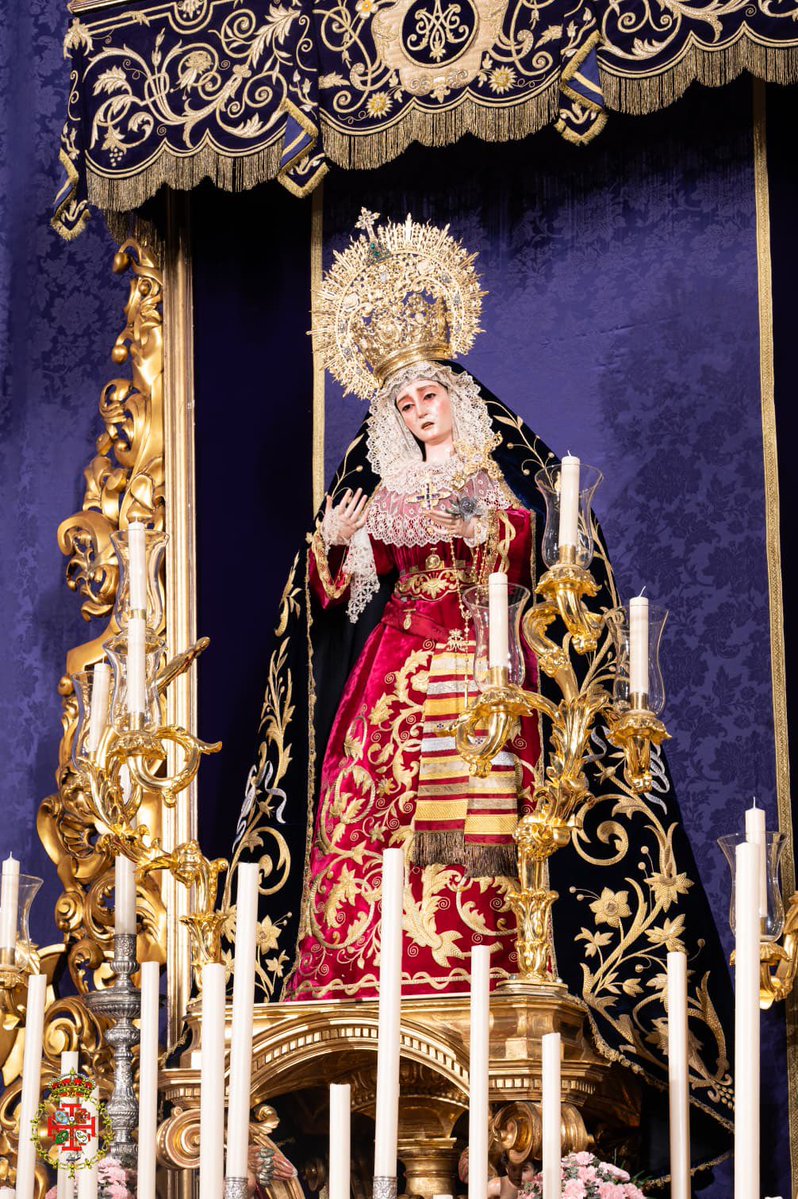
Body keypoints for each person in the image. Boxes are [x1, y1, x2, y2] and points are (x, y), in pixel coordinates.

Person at [226, 211, 733, 1176]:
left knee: (481, 818)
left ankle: (485, 961)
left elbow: (539, 559)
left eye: (429, 393)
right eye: (404, 402)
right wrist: (332, 554)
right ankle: (376, 966)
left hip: (482, 667)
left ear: (455, 391)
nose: (420, 410)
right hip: (390, 682)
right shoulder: (375, 493)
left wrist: (488, 524)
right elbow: (337, 609)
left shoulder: (502, 478)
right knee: (368, 809)